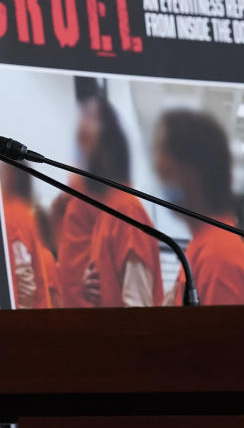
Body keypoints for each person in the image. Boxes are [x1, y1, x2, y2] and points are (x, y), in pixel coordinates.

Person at [152, 109, 244, 305]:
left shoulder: (218, 256)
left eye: (165, 165)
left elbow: (215, 335)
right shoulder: (206, 249)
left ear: (193, 170)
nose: (158, 171)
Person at [51, 94, 164, 308]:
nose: (82, 124)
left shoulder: (125, 209)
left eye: (91, 118)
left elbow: (137, 302)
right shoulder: (82, 195)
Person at [0, 161, 57, 308]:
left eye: (1, 167)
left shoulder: (15, 213)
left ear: (12, 176)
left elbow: (24, 282)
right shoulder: (14, 211)